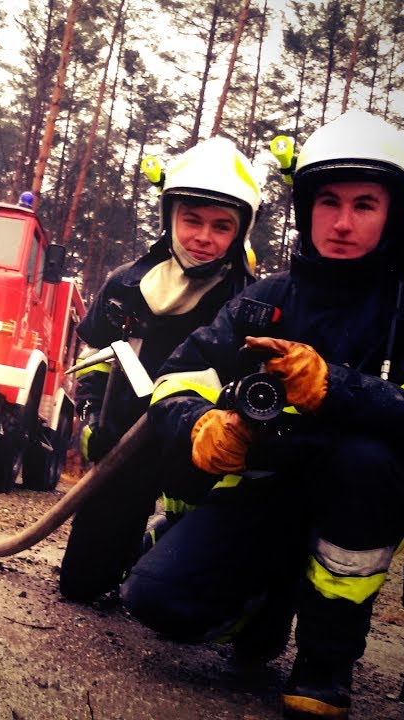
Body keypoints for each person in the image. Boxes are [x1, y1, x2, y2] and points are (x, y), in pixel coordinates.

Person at [120, 110, 404, 719]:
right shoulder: (267, 298)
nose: (342, 223)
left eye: (365, 204)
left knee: (366, 460)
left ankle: (325, 663)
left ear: (397, 214)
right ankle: (262, 610)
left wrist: (337, 389)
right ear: (306, 208)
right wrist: (199, 424)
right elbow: (177, 379)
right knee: (158, 602)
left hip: (356, 499)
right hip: (266, 489)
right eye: (328, 202)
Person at [59, 136, 264, 604]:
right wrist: (91, 415)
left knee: (171, 599)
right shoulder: (126, 285)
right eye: (191, 220)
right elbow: (94, 357)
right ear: (170, 216)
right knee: (82, 587)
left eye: (221, 226)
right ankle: (125, 551)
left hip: (198, 455)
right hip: (123, 445)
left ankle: (160, 544)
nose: (203, 237)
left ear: (239, 232)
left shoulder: (249, 303)